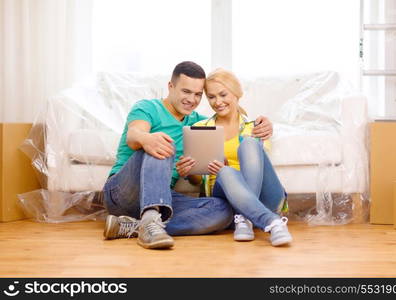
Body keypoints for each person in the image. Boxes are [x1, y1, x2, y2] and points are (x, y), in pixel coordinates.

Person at [102, 61, 273, 249]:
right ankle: (149, 221)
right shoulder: (148, 107)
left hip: (163, 199)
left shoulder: (199, 124)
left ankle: (137, 227)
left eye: (198, 94)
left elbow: (228, 122)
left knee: (223, 211)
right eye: (186, 92)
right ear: (170, 86)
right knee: (162, 143)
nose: (192, 99)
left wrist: (263, 124)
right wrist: (147, 139)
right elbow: (133, 136)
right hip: (123, 194)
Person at [176, 68, 292, 247]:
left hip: (265, 197)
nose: (218, 102)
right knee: (225, 172)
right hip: (227, 199)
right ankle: (268, 222)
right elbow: (197, 180)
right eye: (212, 97)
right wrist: (190, 171)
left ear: (237, 94)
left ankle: (245, 217)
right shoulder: (201, 127)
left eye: (223, 95)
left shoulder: (257, 126)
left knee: (249, 143)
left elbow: (260, 164)